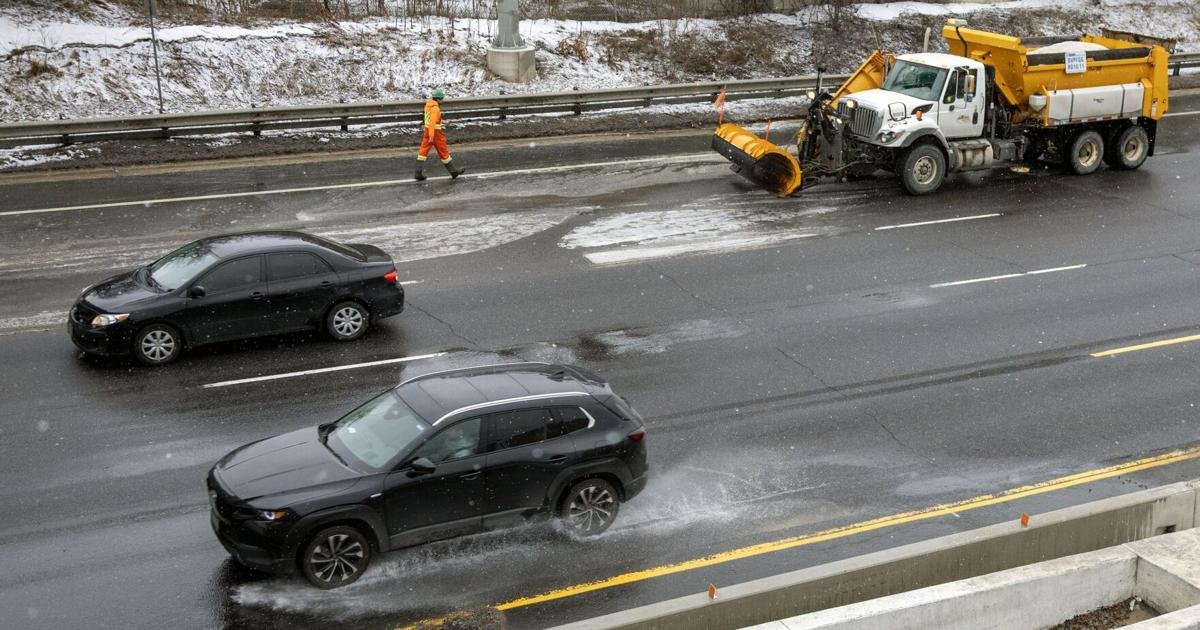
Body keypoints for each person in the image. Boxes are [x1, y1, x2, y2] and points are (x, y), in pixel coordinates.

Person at [414, 88, 465, 181]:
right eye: (441, 99)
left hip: (427, 130)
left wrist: (442, 121)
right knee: (443, 151)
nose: (442, 100)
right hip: (435, 133)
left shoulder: (428, 105)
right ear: (437, 99)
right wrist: (432, 136)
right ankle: (453, 172)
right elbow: (433, 122)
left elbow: (429, 119)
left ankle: (418, 173)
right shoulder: (435, 108)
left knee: (423, 151)